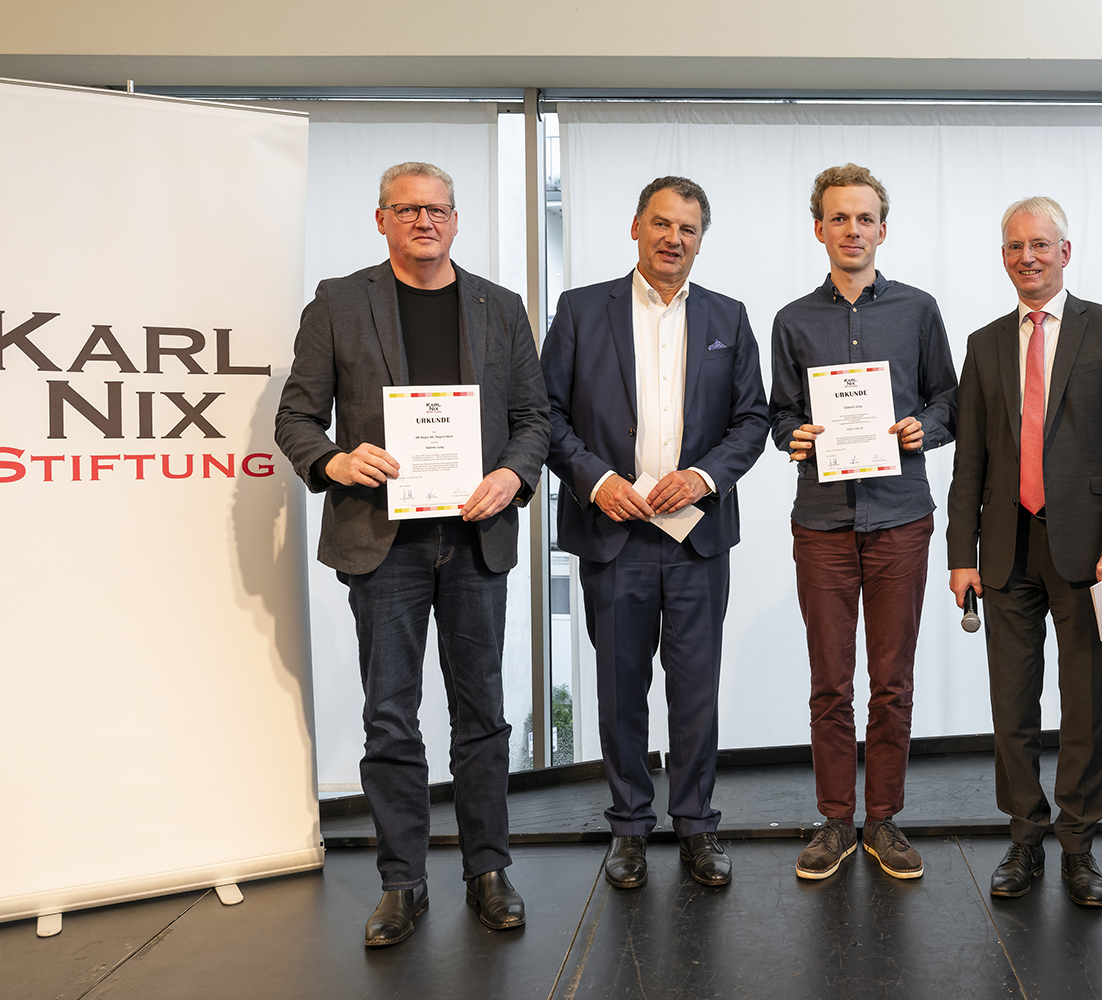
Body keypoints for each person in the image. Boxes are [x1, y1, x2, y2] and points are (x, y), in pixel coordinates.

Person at [275, 162, 549, 944]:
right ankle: (403, 882)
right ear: (381, 219)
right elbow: (296, 419)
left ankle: (488, 870)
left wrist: (512, 474)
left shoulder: (500, 307)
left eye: (437, 210)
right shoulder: (338, 303)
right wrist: (335, 462)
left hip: (474, 538)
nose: (424, 221)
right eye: (407, 210)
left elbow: (534, 418)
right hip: (381, 541)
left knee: (482, 715)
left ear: (456, 220)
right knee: (390, 718)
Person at [541, 176, 769, 889]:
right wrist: (596, 481)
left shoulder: (729, 317)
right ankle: (630, 828)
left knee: (696, 691)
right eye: (662, 223)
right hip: (614, 532)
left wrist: (703, 477)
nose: (674, 239)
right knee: (620, 690)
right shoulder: (581, 311)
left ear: (701, 240)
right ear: (636, 227)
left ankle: (696, 825)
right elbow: (545, 413)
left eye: (688, 229)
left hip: (697, 534)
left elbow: (753, 420)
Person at [946, 196, 1102, 908]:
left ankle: (1079, 845)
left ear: (1065, 252)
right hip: (1005, 551)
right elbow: (968, 461)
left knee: (1085, 704)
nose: (1027, 256)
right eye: (1014, 246)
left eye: (1040, 244)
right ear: (1003, 257)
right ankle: (1025, 837)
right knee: (1011, 707)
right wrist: (961, 554)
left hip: (1092, 555)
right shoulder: (984, 343)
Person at [768, 163, 958, 881]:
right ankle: (834, 821)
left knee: (892, 681)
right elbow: (780, 414)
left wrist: (922, 429)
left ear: (883, 228)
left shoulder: (919, 310)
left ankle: (882, 820)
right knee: (829, 683)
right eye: (840, 218)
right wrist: (794, 435)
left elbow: (948, 401)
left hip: (901, 517)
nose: (853, 230)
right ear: (819, 228)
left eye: (865, 218)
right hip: (821, 522)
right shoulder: (792, 320)